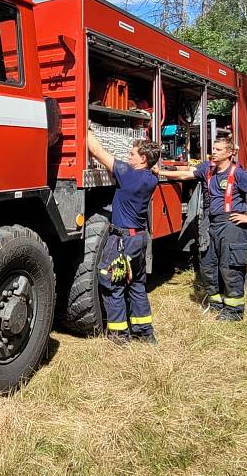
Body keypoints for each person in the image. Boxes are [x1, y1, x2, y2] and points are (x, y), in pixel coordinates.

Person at [157, 137, 247, 321]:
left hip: (231, 225)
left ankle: (234, 311)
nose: (213, 152)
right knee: (208, 265)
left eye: (218, 149)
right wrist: (160, 171)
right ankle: (216, 305)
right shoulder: (207, 169)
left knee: (230, 266)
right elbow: (186, 173)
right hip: (210, 223)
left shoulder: (238, 173)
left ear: (230, 153)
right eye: (213, 149)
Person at [87, 130, 160, 345]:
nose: (128, 157)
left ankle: (119, 335)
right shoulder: (151, 179)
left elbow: (97, 151)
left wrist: (86, 126)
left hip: (121, 240)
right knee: (137, 283)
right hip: (138, 239)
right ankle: (144, 332)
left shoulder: (128, 174)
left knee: (111, 280)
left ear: (143, 159)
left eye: (132, 154)